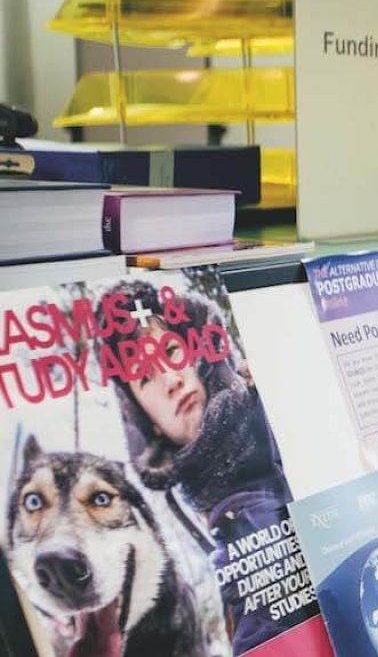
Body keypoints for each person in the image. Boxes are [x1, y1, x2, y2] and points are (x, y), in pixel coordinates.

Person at [103, 279, 309, 653]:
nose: (170, 379)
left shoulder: (273, 401)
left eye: (171, 350)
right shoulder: (184, 517)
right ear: (144, 418)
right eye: (145, 376)